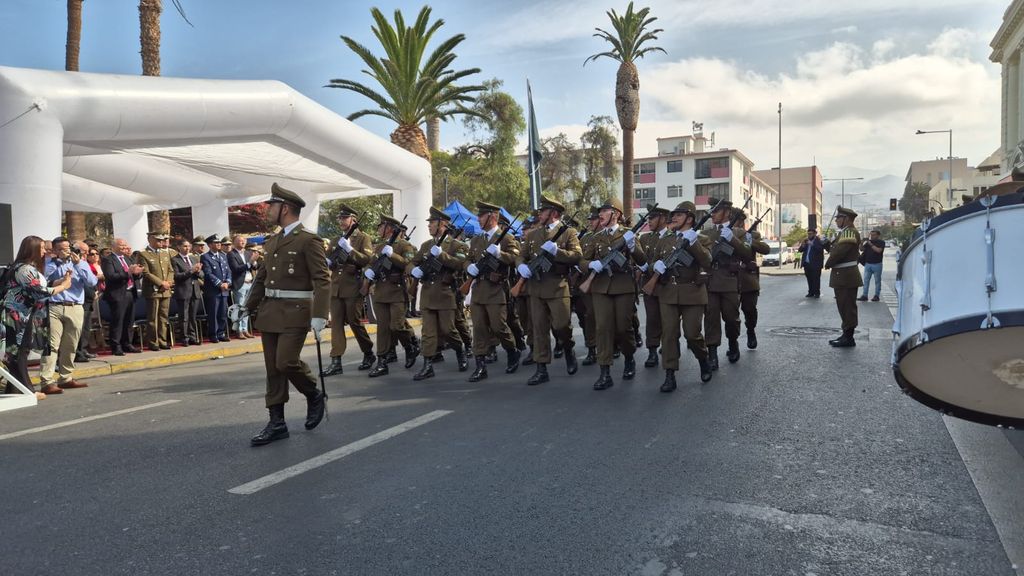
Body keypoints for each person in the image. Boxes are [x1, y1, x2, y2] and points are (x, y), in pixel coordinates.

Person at [244, 183, 330, 446]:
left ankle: (313, 393)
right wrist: (247, 306)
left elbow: (322, 279)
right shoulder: (273, 240)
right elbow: (262, 278)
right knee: (273, 369)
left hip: (296, 312)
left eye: (272, 205)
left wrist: (320, 314)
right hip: (270, 311)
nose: (268, 209)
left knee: (285, 362)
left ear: (286, 208)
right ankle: (277, 422)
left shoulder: (308, 240)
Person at [580, 196, 646, 390]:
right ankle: (605, 371)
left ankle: (629, 357)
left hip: (623, 286)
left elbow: (642, 260)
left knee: (623, 328)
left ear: (616, 214)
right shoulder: (596, 237)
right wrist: (591, 264)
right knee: (602, 328)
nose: (600, 214)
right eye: (600, 211)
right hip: (600, 288)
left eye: (604, 211)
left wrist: (632, 246)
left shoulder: (628, 234)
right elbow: (582, 261)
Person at [515, 195, 582, 385]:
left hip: (558, 286)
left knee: (562, 326)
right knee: (539, 329)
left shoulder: (569, 233)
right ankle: (541, 368)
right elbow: (521, 256)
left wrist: (557, 252)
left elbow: (577, 256)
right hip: (536, 288)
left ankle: (568, 349)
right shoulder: (533, 234)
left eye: (543, 211)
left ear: (553, 213)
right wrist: (521, 266)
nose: (539, 214)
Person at [648, 201, 713, 391]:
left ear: (690, 219)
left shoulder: (702, 238)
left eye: (679, 214)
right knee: (668, 334)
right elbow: (652, 262)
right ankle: (669, 374)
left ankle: (703, 358)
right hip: (668, 292)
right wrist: (656, 267)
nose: (673, 217)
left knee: (692, 334)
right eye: (673, 215)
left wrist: (693, 243)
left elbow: (707, 261)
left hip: (692, 292)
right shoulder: (666, 239)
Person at [2, 236, 72, 400]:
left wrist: (58, 282)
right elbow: (39, 291)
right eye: (41, 248)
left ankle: (15, 390)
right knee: (18, 353)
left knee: (19, 352)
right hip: (16, 317)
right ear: (32, 250)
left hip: (23, 316)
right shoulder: (24, 269)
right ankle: (27, 390)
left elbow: (41, 285)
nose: (44, 252)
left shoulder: (26, 268)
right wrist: (63, 287)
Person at [463, 201, 521, 381]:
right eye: (479, 216)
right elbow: (467, 259)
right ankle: (480, 366)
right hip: (479, 289)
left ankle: (512, 351)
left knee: (498, 326)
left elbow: (516, 258)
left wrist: (500, 255)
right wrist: (469, 267)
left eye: (481, 216)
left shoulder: (506, 238)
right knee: (479, 328)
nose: (478, 219)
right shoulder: (476, 239)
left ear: (493, 217)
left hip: (496, 290)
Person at [409, 207, 469, 380]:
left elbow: (460, 264)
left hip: (444, 294)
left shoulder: (457, 245)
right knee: (428, 332)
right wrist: (414, 271)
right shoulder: (425, 245)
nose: (429, 226)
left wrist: (442, 255)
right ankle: (427, 366)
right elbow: (412, 262)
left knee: (448, 330)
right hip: (428, 293)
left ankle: (460, 352)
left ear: (443, 224)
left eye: (432, 223)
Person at [38, 235, 97, 393]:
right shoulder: (47, 264)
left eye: (67, 249)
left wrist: (78, 264)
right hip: (54, 306)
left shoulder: (80, 263)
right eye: (61, 249)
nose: (66, 252)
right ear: (55, 250)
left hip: (75, 306)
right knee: (52, 345)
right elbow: (44, 280)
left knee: (70, 344)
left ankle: (65, 377)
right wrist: (58, 262)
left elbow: (92, 282)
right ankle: (47, 381)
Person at [322, 204, 376, 376]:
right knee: (336, 324)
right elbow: (329, 258)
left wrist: (350, 250)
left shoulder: (363, 238)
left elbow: (366, 259)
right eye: (339, 218)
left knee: (354, 322)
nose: (341, 221)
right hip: (336, 286)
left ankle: (368, 351)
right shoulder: (335, 238)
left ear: (353, 219)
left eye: (344, 218)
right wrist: (328, 261)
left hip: (353, 285)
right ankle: (336, 361)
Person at [365, 215, 420, 377]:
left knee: (396, 325)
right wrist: (367, 270)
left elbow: (409, 264)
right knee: (383, 329)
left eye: (381, 226)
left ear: (389, 228)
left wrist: (393, 256)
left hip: (397, 291)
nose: (379, 229)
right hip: (381, 291)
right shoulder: (379, 246)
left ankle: (410, 344)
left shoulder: (404, 245)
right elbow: (372, 262)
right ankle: (382, 362)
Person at [703, 198, 753, 370]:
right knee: (710, 319)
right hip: (709, 281)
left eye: (716, 211)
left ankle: (733, 342)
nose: (712, 214)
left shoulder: (738, 233)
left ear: (727, 213)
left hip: (729, 281)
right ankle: (712, 354)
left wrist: (733, 239)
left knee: (731, 318)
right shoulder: (707, 233)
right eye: (712, 211)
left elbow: (747, 254)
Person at [823, 206, 862, 347]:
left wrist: (828, 262)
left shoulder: (849, 232)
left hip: (846, 276)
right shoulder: (845, 232)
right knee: (843, 306)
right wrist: (828, 245)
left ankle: (849, 337)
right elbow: (837, 249)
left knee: (847, 307)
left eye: (838, 218)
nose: (836, 220)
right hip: (843, 275)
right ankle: (846, 334)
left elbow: (840, 252)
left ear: (846, 219)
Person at [733, 210, 771, 349]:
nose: (739, 224)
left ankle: (751, 330)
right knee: (731, 315)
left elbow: (765, 249)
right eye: (737, 220)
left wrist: (750, 240)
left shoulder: (752, 235)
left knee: (749, 310)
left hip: (748, 280)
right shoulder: (725, 234)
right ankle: (733, 341)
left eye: (741, 221)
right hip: (730, 280)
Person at [638, 204, 670, 368]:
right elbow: (640, 260)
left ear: (663, 219)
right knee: (652, 319)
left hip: (667, 285)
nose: (649, 221)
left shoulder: (673, 237)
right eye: (648, 218)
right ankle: (652, 350)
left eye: (652, 217)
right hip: (650, 284)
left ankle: (669, 344)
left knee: (668, 319)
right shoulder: (644, 238)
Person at [101, 238, 144, 355]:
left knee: (129, 321)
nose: (124, 247)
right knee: (118, 321)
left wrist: (138, 273)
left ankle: (127, 343)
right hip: (117, 294)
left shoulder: (127, 258)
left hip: (130, 292)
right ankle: (116, 346)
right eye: (121, 245)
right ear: (113, 246)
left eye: (125, 245)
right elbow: (110, 276)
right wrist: (128, 273)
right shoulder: (108, 260)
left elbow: (133, 276)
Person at [136, 231, 175, 351]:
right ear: (150, 240)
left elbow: (170, 270)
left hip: (166, 290)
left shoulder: (164, 253)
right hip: (153, 290)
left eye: (162, 240)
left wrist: (168, 282)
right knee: (153, 318)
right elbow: (146, 272)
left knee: (163, 317)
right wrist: (160, 283)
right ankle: (153, 342)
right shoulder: (143, 254)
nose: (161, 242)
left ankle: (163, 340)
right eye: (158, 240)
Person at [171, 238, 203, 346]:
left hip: (195, 290)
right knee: (184, 316)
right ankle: (184, 337)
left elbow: (202, 275)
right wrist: (191, 271)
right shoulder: (175, 260)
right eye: (185, 246)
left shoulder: (193, 258)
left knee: (193, 316)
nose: (187, 248)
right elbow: (177, 276)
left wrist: (198, 272)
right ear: (179, 247)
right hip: (183, 291)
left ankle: (192, 336)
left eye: (188, 246)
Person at [201, 235, 231, 343]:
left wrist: (228, 282)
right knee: (213, 314)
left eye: (219, 242)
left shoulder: (223, 256)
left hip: (224, 290)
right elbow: (208, 273)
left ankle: (221, 333)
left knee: (222, 313)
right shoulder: (205, 257)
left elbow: (228, 271)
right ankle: (213, 334)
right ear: (209, 245)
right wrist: (219, 283)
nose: (219, 244)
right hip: (213, 290)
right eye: (216, 242)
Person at [75, 242, 102, 362]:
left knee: (86, 327)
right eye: (84, 252)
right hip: (82, 299)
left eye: (87, 252)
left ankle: (84, 349)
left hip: (90, 299)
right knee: (79, 328)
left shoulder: (84, 263)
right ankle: (78, 352)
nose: (86, 254)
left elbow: (91, 280)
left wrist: (95, 291)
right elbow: (81, 282)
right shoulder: (75, 264)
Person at [797, 228, 825, 298]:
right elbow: (800, 250)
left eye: (810, 234)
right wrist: (802, 245)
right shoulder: (806, 241)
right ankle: (811, 292)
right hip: (807, 264)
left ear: (815, 234)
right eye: (808, 234)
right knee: (809, 278)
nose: (809, 235)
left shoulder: (819, 241)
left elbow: (820, 249)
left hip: (816, 264)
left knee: (816, 279)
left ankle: (817, 292)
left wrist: (812, 244)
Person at [858, 230, 885, 302]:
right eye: (871, 235)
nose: (872, 236)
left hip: (877, 264)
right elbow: (861, 249)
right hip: (868, 264)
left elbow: (878, 250)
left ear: (878, 235)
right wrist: (861, 242)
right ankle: (864, 295)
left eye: (874, 235)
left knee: (877, 281)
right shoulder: (868, 242)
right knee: (866, 281)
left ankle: (876, 295)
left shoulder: (881, 242)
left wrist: (870, 244)